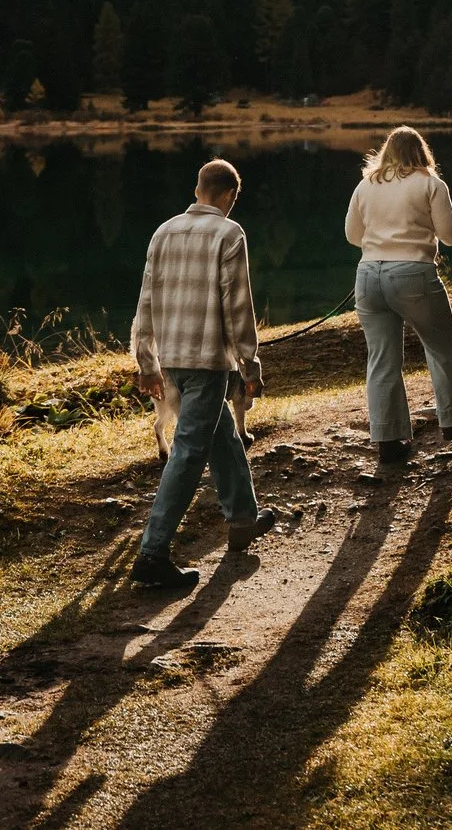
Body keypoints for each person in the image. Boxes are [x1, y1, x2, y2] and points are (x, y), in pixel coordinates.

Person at [128, 157, 281, 590]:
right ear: (230, 196)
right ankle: (152, 554)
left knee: (220, 433)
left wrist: (146, 363)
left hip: (172, 357)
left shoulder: (163, 231)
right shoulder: (229, 233)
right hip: (208, 362)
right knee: (189, 452)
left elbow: (145, 301)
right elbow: (238, 308)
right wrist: (250, 366)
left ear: (198, 190)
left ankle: (244, 519)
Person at [344, 126, 452, 465]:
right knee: (440, 345)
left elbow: (353, 235)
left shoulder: (365, 185)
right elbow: (450, 236)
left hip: (369, 275)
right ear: (422, 152)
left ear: (387, 153)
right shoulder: (431, 184)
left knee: (381, 358)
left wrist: (381, 244)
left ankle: (388, 440)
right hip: (413, 274)